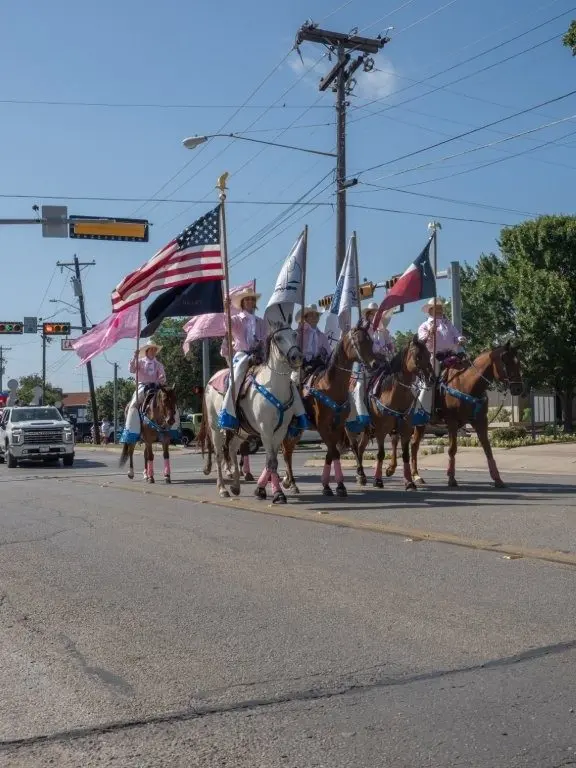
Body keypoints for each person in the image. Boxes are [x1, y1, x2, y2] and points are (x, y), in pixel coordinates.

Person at [219, 287, 267, 430]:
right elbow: (227, 325)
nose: (250, 301)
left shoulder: (261, 321)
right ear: (242, 303)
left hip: (259, 356)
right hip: (243, 355)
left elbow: (264, 339)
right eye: (247, 299)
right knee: (237, 377)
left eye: (252, 299)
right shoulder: (236, 319)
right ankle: (227, 413)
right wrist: (226, 310)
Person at [347, 302, 396, 432]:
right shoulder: (363, 331)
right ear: (367, 316)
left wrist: (389, 349)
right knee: (360, 386)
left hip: (383, 363)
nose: (375, 317)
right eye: (372, 314)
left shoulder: (384, 331)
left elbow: (391, 347)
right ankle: (361, 415)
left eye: (377, 314)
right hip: (367, 364)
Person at [415, 298, 466, 421]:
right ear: (430, 310)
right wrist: (429, 333)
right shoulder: (425, 325)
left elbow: (456, 335)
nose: (440, 310)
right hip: (434, 356)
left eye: (441, 308)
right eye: (437, 308)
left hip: (452, 355)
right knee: (432, 379)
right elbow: (421, 342)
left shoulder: (448, 324)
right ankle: (424, 410)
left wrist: (460, 339)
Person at [121, 342, 169, 444]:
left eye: (155, 350)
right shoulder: (140, 361)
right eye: (152, 349)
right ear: (147, 351)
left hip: (156, 387)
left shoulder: (158, 364)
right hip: (142, 387)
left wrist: (162, 379)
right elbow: (131, 370)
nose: (154, 351)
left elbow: (163, 377)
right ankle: (131, 431)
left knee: (170, 402)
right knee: (133, 405)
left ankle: (171, 430)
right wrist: (135, 357)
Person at [296, 303, 331, 375]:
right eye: (311, 315)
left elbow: (329, 354)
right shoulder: (299, 332)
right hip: (300, 365)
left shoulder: (322, 336)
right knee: (294, 378)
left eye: (317, 315)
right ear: (305, 318)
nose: (315, 317)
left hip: (317, 365)